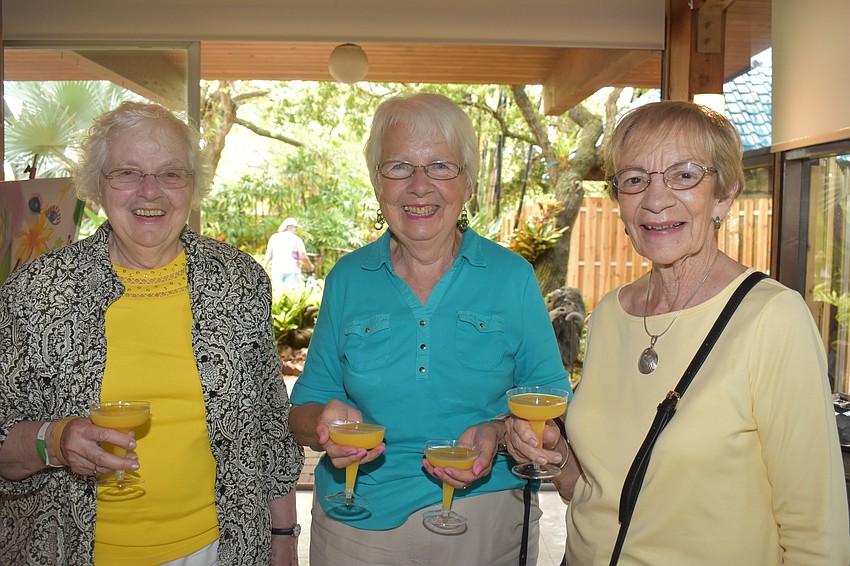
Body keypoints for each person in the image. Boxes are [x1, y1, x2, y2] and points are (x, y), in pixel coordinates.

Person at [505, 100, 850, 565]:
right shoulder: (611, 315)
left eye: (684, 175)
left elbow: (817, 533)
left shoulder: (772, 318)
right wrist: (558, 455)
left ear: (724, 192)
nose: (655, 198)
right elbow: (598, 491)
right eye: (634, 179)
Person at [0, 102, 304, 565]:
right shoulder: (38, 292)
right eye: (127, 172)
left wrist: (283, 534)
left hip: (221, 549)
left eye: (171, 174)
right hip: (73, 550)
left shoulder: (238, 282)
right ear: (97, 185)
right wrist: (54, 441)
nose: (150, 192)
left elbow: (267, 426)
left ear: (192, 187)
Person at [288, 92, 570, 566]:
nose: (420, 186)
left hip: (485, 516)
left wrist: (500, 432)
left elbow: (554, 407)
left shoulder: (512, 277)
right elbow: (300, 412)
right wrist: (322, 423)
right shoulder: (347, 278)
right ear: (378, 183)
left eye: (441, 166)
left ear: (468, 182)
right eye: (399, 166)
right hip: (356, 522)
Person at [264, 217, 314, 290]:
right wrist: (310, 266)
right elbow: (302, 256)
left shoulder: (274, 238)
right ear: (291, 227)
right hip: (292, 270)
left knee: (279, 294)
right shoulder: (296, 239)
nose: (295, 230)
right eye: (295, 228)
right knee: (291, 295)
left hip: (277, 270)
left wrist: (264, 267)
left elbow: (268, 255)